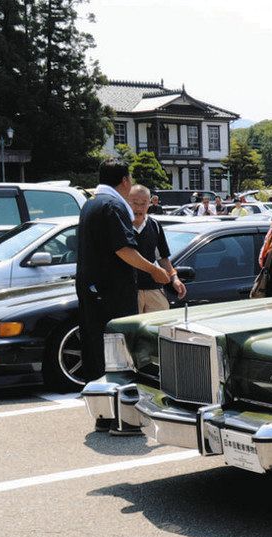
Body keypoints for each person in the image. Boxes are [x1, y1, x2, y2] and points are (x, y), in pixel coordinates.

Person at [76, 159, 170, 396]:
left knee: (96, 346)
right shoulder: (113, 205)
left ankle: (99, 399)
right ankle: (116, 403)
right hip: (111, 290)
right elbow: (124, 249)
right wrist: (154, 270)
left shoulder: (90, 203)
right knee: (117, 349)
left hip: (92, 287)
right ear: (125, 180)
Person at [128, 184, 186, 312]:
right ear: (127, 202)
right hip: (129, 290)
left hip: (154, 288)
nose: (139, 208)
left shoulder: (154, 225)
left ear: (149, 204)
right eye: (134, 203)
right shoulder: (121, 224)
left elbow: (162, 258)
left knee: (162, 322)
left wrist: (174, 279)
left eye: (143, 203)